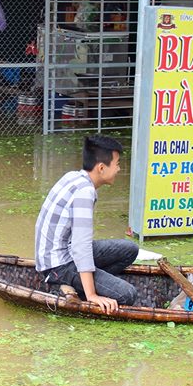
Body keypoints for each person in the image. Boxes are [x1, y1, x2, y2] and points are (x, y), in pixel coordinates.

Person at [35, 134, 139, 313]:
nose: (119, 169)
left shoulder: (73, 177)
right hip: (58, 265)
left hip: (63, 253)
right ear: (101, 167)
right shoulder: (85, 192)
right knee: (128, 294)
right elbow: (80, 246)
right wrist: (92, 295)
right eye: (117, 164)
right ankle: (68, 286)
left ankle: (86, 282)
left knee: (130, 249)